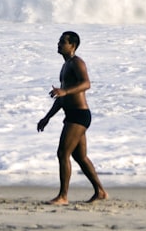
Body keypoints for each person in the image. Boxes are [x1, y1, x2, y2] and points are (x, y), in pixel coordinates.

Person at [37, 31, 108, 204]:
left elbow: (86, 84)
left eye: (63, 42)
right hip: (73, 115)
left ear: (72, 46)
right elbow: (61, 99)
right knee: (80, 157)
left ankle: (63, 196)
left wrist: (65, 91)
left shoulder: (77, 62)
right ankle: (100, 192)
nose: (59, 44)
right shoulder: (65, 66)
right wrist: (47, 117)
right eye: (59, 41)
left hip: (79, 115)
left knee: (63, 153)